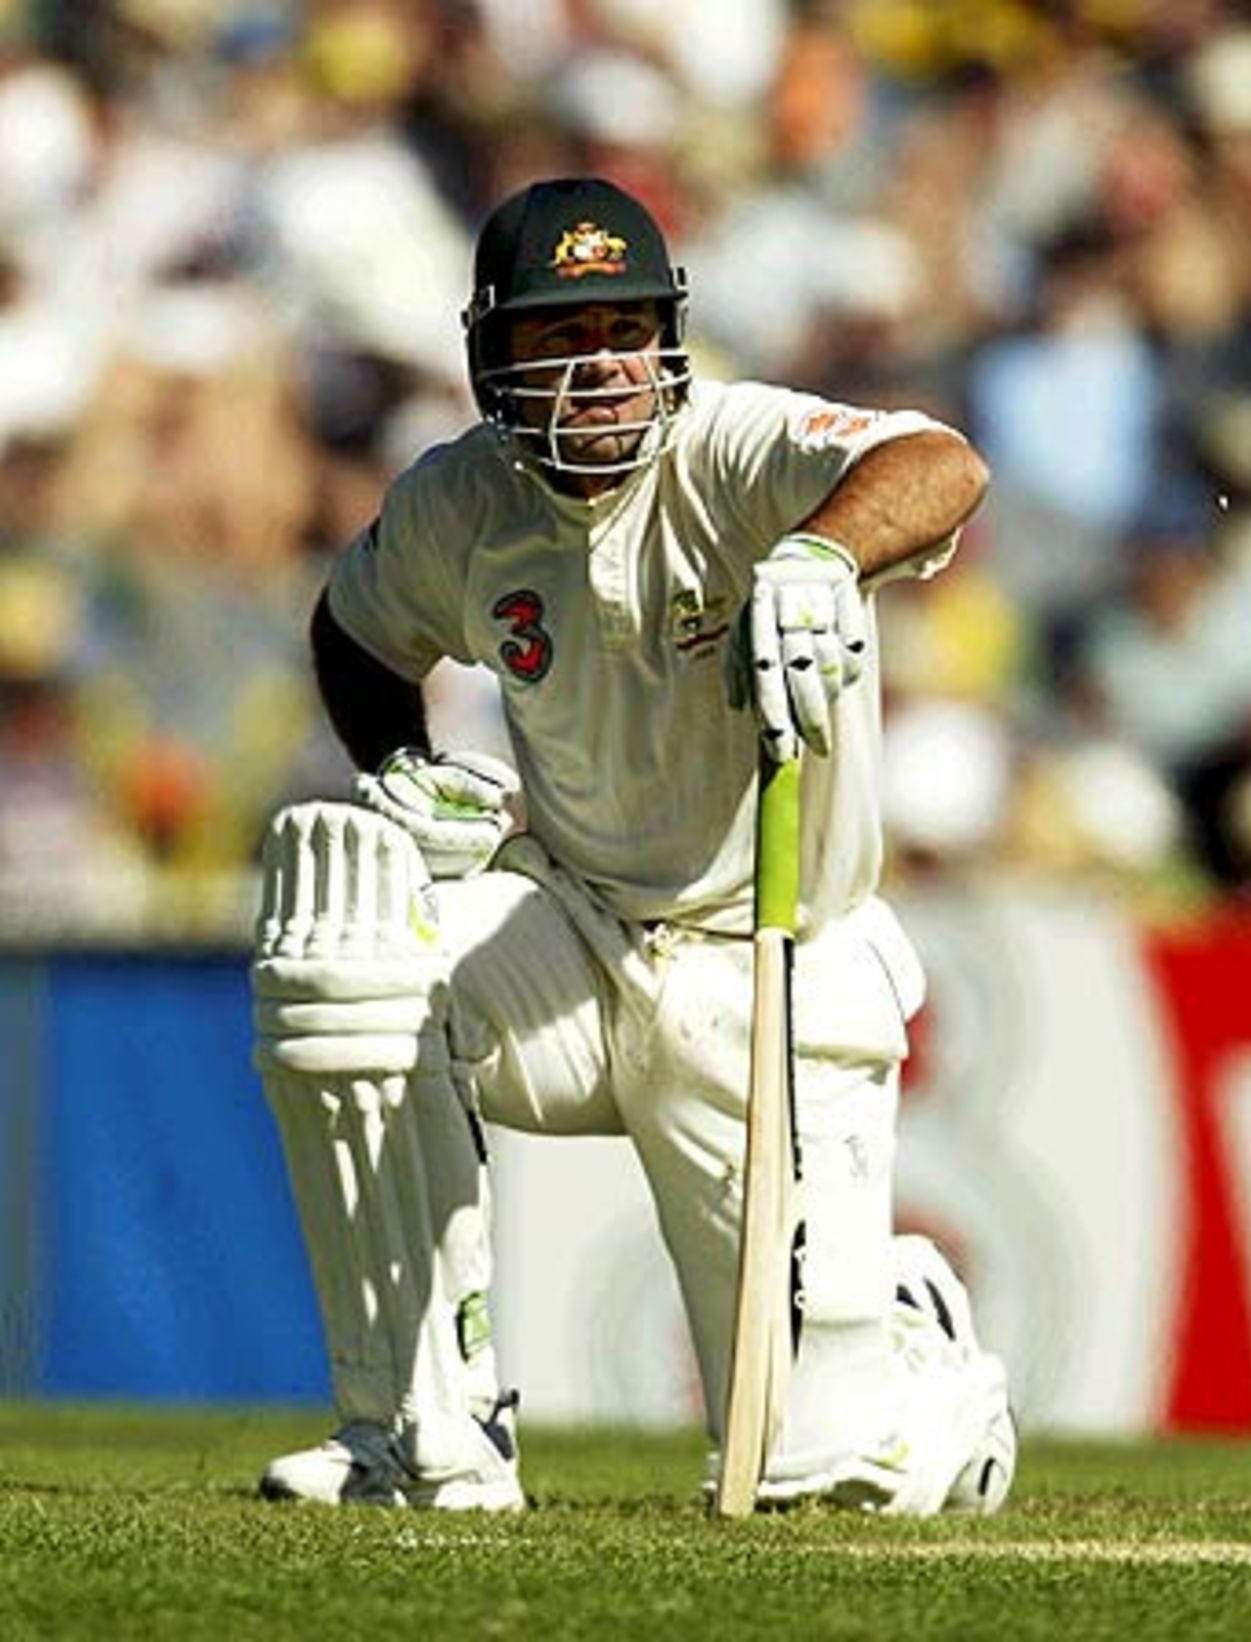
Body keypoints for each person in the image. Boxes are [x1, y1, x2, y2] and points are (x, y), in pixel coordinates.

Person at [251, 176, 1016, 1514]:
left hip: (767, 962)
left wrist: (820, 558)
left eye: (625, 329)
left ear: (669, 336)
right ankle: (425, 1433)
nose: (601, 365)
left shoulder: (733, 446)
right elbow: (356, 632)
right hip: (577, 928)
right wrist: (404, 768)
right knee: (352, 954)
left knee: (815, 1474)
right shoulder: (463, 500)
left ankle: (914, 1344)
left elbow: (943, 465)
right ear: (494, 358)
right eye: (562, 335)